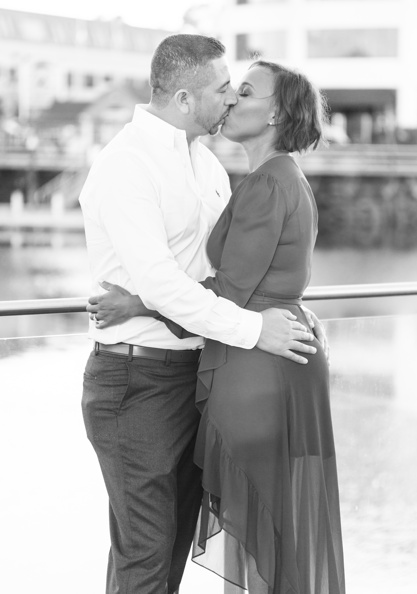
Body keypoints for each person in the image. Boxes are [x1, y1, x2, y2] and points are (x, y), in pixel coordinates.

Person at [93, 61, 345, 593]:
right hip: (263, 361)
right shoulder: (272, 178)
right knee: (265, 534)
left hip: (257, 373)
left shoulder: (263, 184)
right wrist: (291, 307)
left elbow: (229, 291)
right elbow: (266, 279)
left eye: (244, 91)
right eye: (227, 90)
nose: (231, 101)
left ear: (276, 112)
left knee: (258, 537)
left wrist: (137, 305)